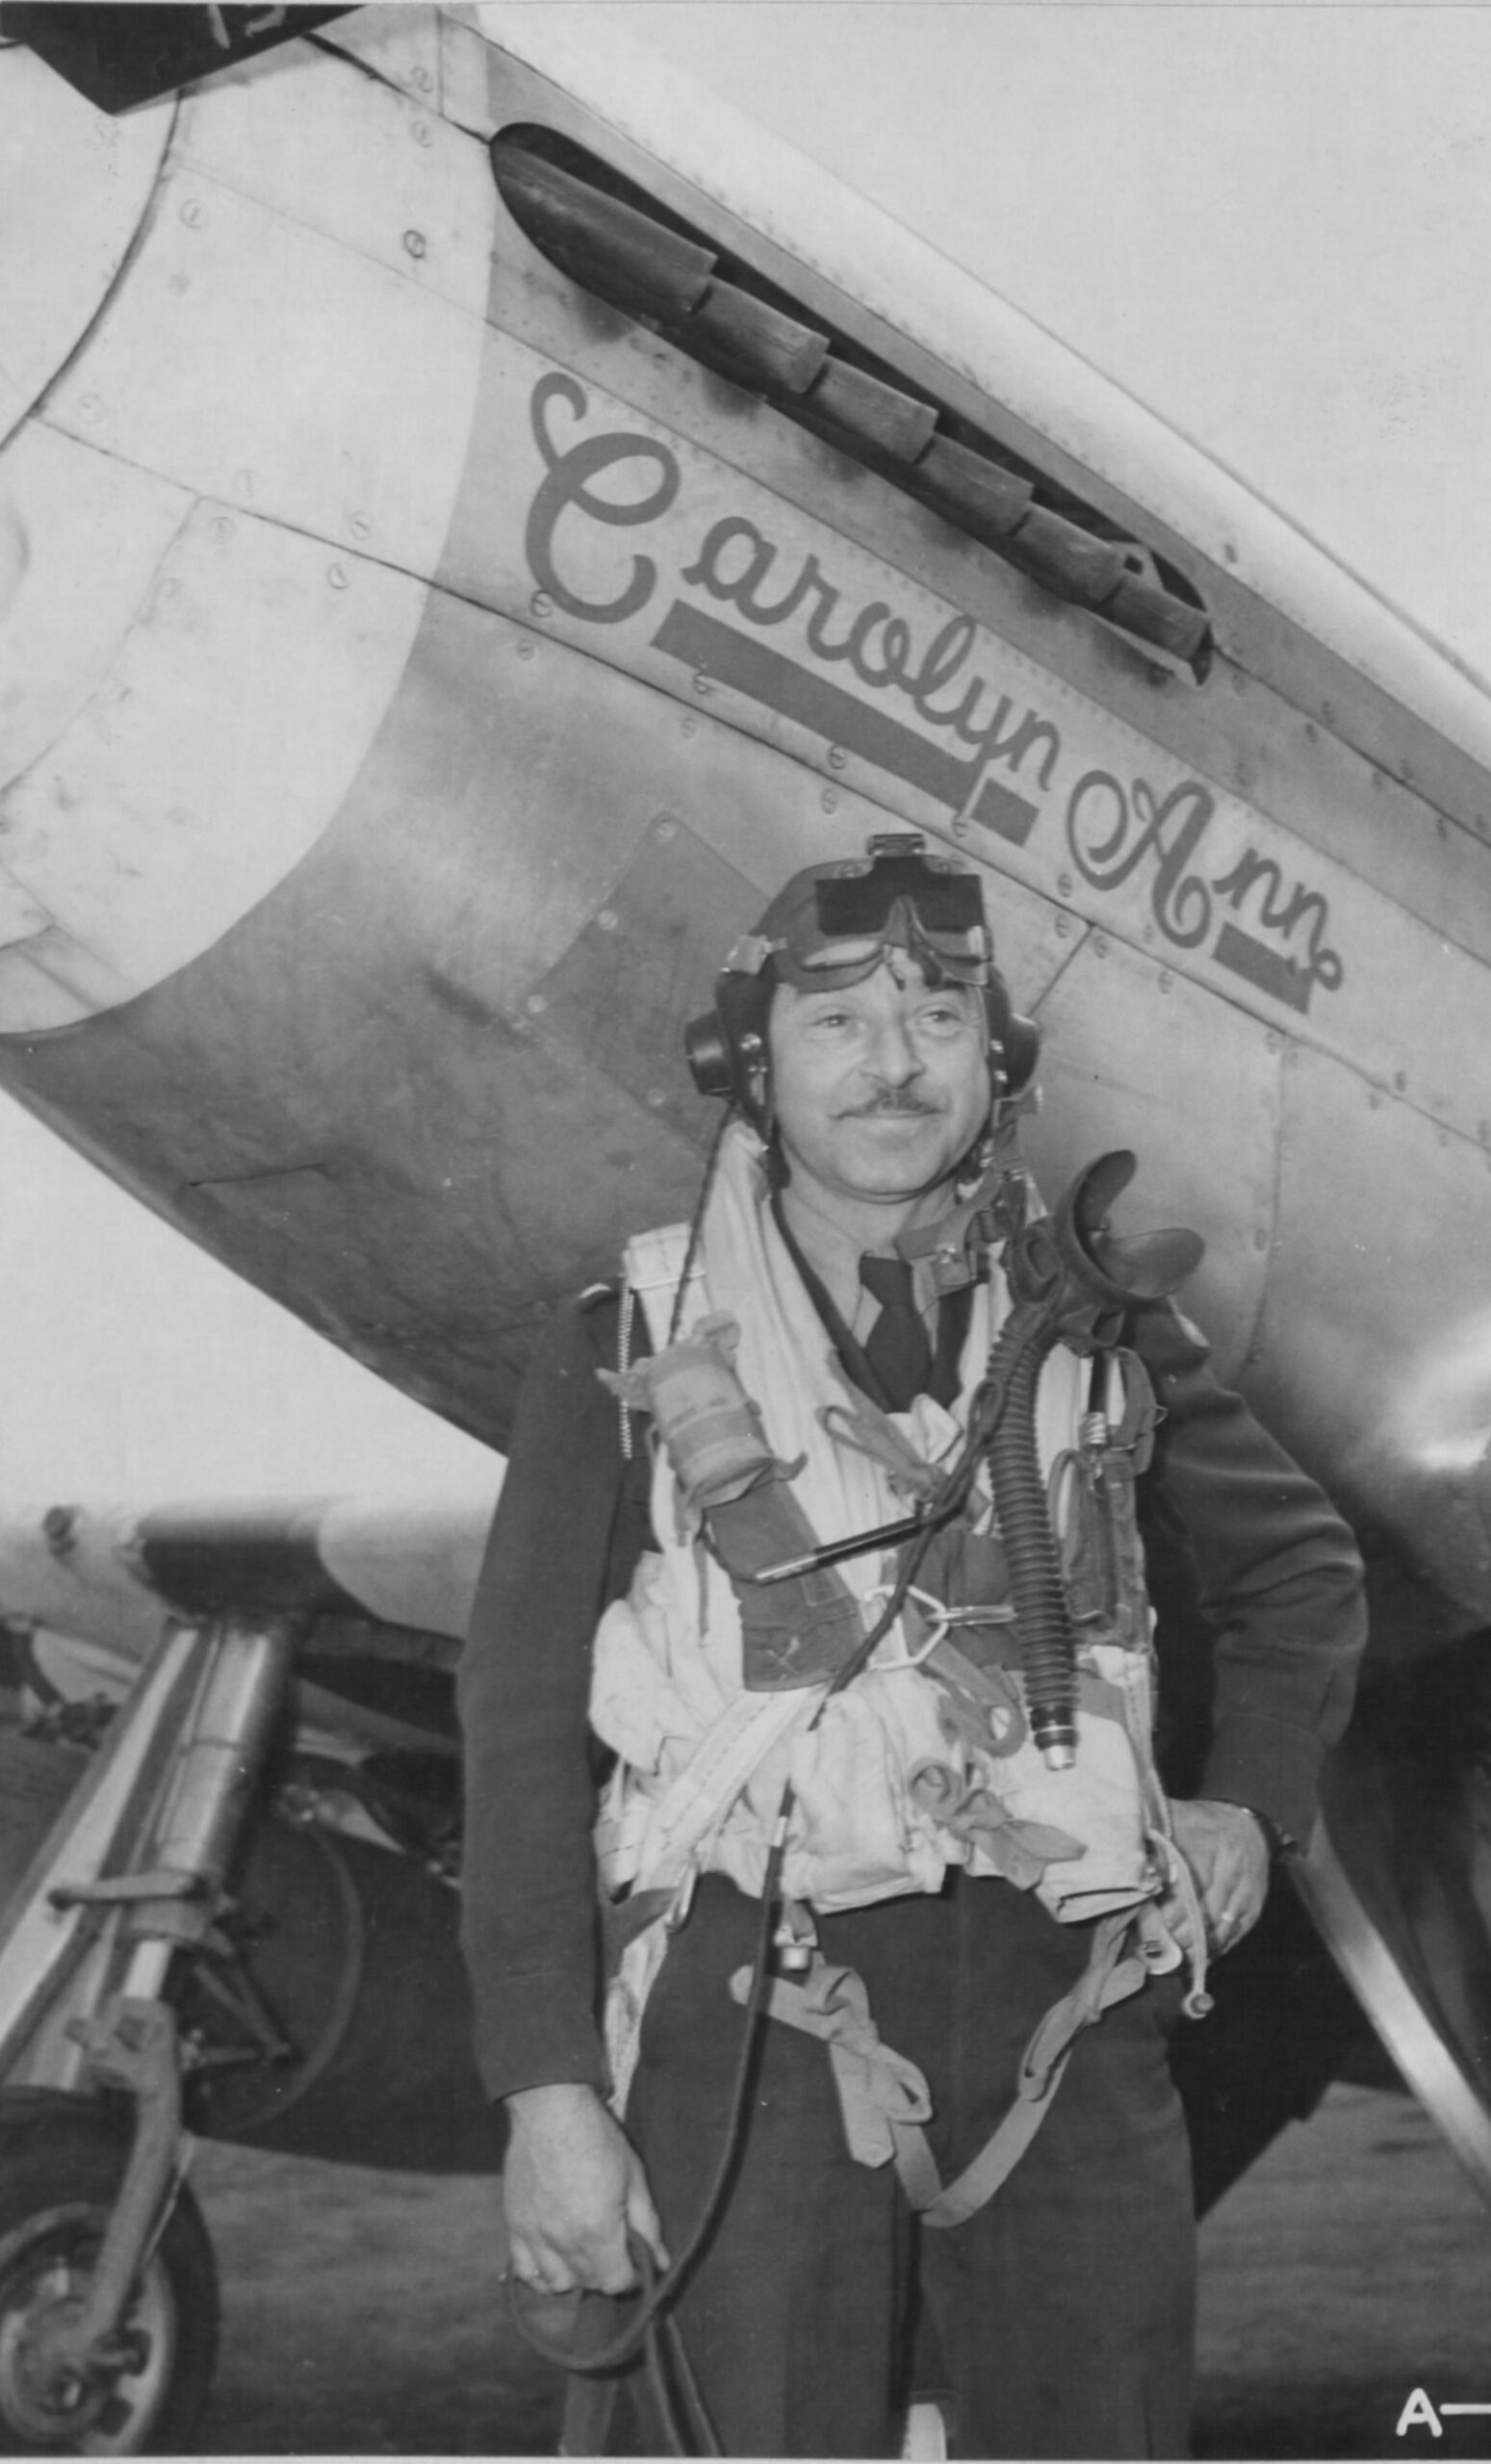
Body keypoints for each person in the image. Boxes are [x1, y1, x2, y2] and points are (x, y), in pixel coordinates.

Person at [459, 833, 1366, 2459]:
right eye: (836, 1024)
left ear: (995, 1061)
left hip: (1066, 2021)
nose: (894, 1065)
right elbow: (518, 1726)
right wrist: (548, 2097)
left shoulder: (1095, 1329)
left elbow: (1302, 1569)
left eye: (939, 1018)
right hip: (755, 2015)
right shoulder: (632, 1341)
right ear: (754, 1068)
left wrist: (1254, 1801)